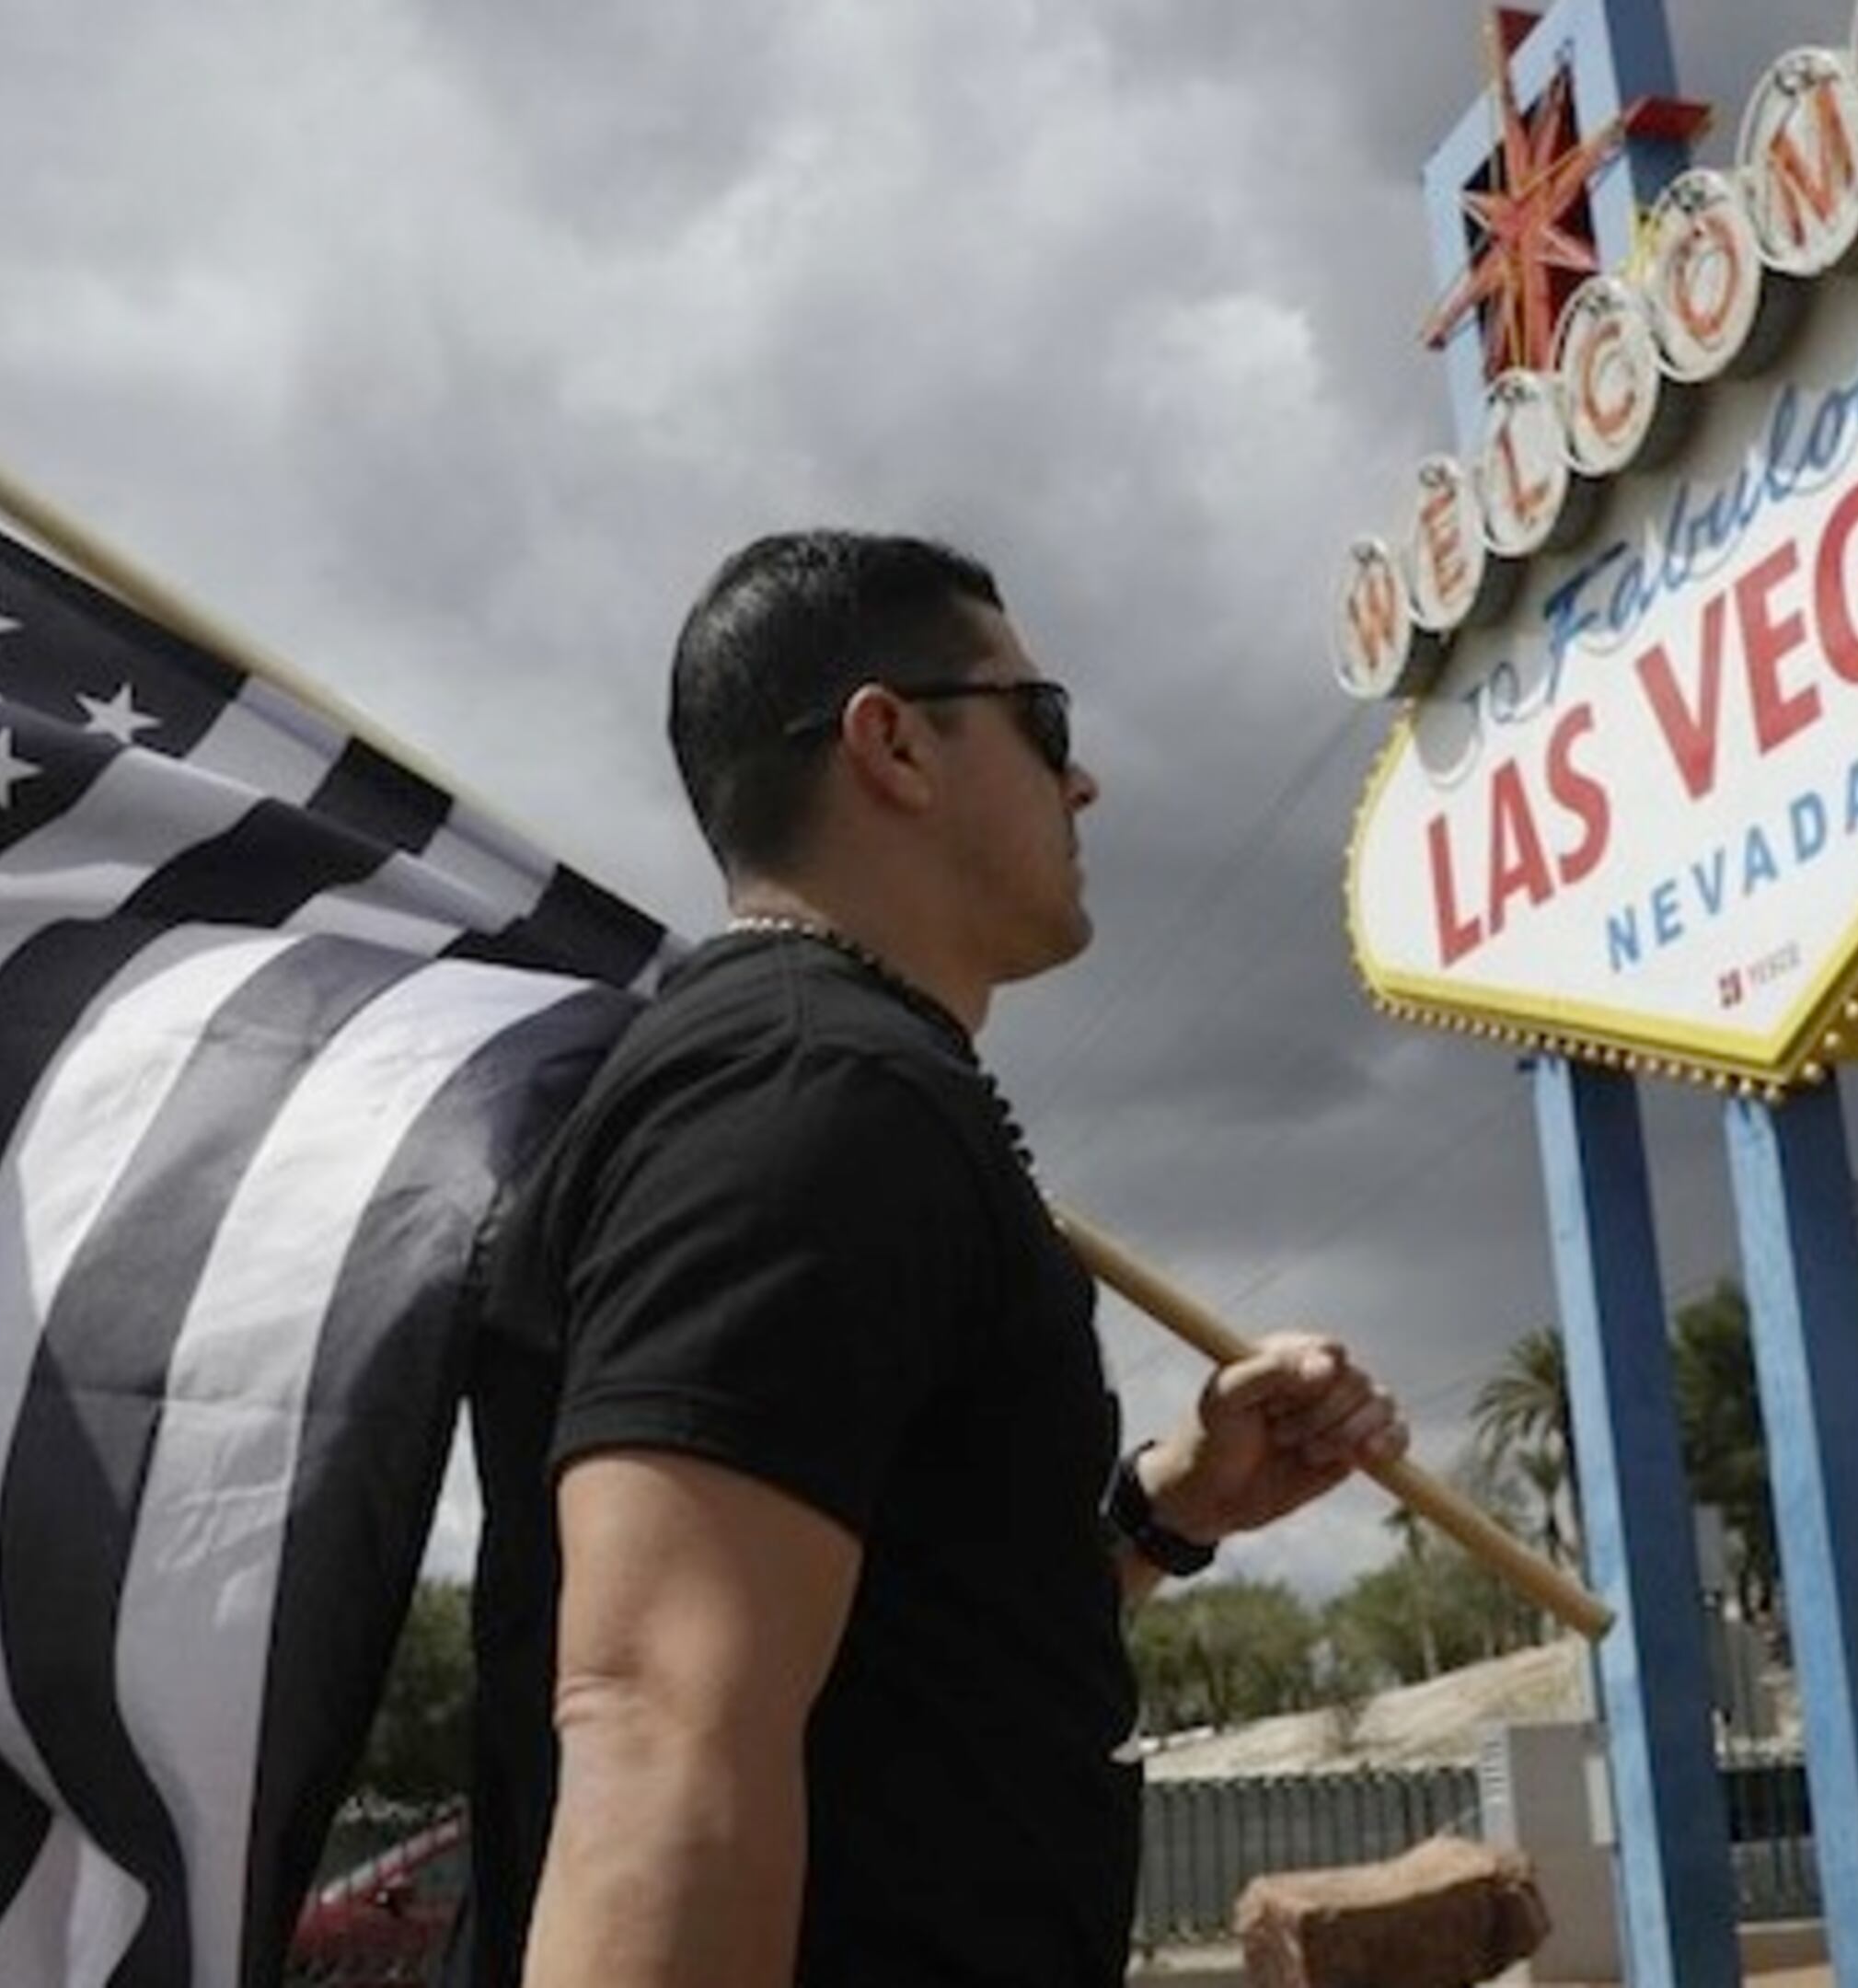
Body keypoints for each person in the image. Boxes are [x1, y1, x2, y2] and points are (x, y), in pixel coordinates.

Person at [457, 528, 1407, 1988]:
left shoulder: (851, 1088)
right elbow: (658, 1725)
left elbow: (909, 1665)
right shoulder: (808, 1094)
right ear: (893, 744)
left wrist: (1172, 1509)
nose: (1081, 780)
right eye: (1045, 724)